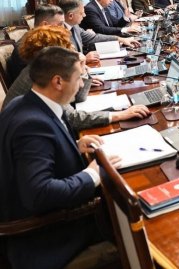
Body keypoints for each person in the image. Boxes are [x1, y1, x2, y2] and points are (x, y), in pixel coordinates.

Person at [0, 46, 121, 269]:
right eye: (79, 77)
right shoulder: (33, 125)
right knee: (130, 218)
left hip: (45, 218)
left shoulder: (24, 103)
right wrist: (92, 174)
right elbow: (39, 194)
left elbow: (34, 156)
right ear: (58, 82)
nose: (82, 84)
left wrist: (73, 146)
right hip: (47, 238)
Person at [2, 26, 150, 129]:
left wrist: (80, 71)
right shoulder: (42, 76)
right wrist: (119, 115)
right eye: (66, 48)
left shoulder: (40, 68)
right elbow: (72, 118)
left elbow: (78, 97)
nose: (71, 50)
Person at [60, 0, 139, 59]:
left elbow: (94, 37)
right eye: (81, 13)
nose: (84, 15)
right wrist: (85, 59)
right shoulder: (58, 34)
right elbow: (64, 62)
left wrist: (121, 39)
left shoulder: (75, 27)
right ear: (70, 16)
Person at [5, 4, 65, 86]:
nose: (64, 28)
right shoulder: (29, 49)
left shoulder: (47, 40)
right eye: (60, 24)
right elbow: (43, 82)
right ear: (45, 25)